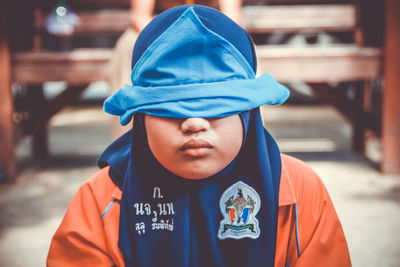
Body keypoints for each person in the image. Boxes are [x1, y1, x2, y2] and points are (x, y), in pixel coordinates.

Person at [47, 5, 351, 267]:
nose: (193, 122)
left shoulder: (298, 194)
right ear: (139, 119)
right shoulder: (100, 203)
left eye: (216, 107)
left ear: (248, 114)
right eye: (169, 109)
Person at [109, 0, 242, 139]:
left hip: (211, 32)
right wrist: (173, 39)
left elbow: (231, 18)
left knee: (243, 52)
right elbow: (140, 18)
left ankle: (247, 141)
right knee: (130, 44)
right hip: (159, 32)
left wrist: (200, 38)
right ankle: (128, 144)